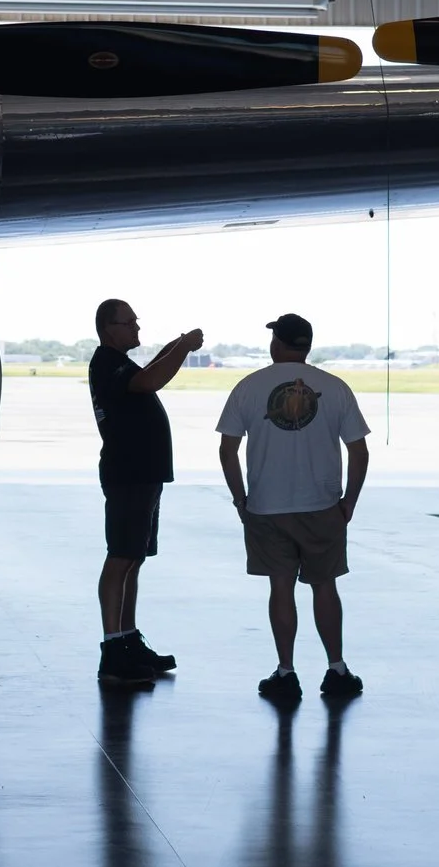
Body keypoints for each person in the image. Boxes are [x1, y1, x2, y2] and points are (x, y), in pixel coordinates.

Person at [216, 312, 371, 706]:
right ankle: (337, 669)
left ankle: (286, 672)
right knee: (325, 586)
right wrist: (349, 503)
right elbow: (359, 451)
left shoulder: (249, 387)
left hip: (267, 506)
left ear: (277, 343)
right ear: (307, 345)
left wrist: (240, 499)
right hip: (322, 505)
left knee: (281, 587)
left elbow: (228, 450)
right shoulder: (335, 388)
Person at [89, 298, 202, 688]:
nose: (137, 328)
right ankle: (113, 649)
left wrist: (177, 344)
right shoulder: (108, 363)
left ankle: (128, 637)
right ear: (109, 328)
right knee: (121, 557)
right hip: (129, 475)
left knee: (133, 558)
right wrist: (183, 349)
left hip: (142, 476)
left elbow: (149, 370)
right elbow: (150, 380)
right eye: (130, 323)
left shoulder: (118, 363)